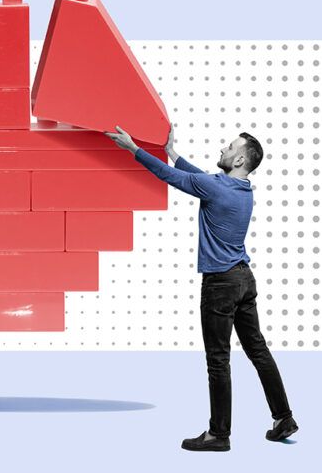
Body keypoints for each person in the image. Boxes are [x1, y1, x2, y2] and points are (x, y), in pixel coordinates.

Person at [105, 125, 298, 451]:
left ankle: (218, 435)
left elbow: (171, 177)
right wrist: (172, 151)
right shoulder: (241, 188)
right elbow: (197, 176)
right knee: (258, 351)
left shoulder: (216, 188)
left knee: (218, 360)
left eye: (229, 147)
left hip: (221, 285)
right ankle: (283, 417)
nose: (223, 148)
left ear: (239, 159)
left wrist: (132, 148)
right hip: (243, 281)